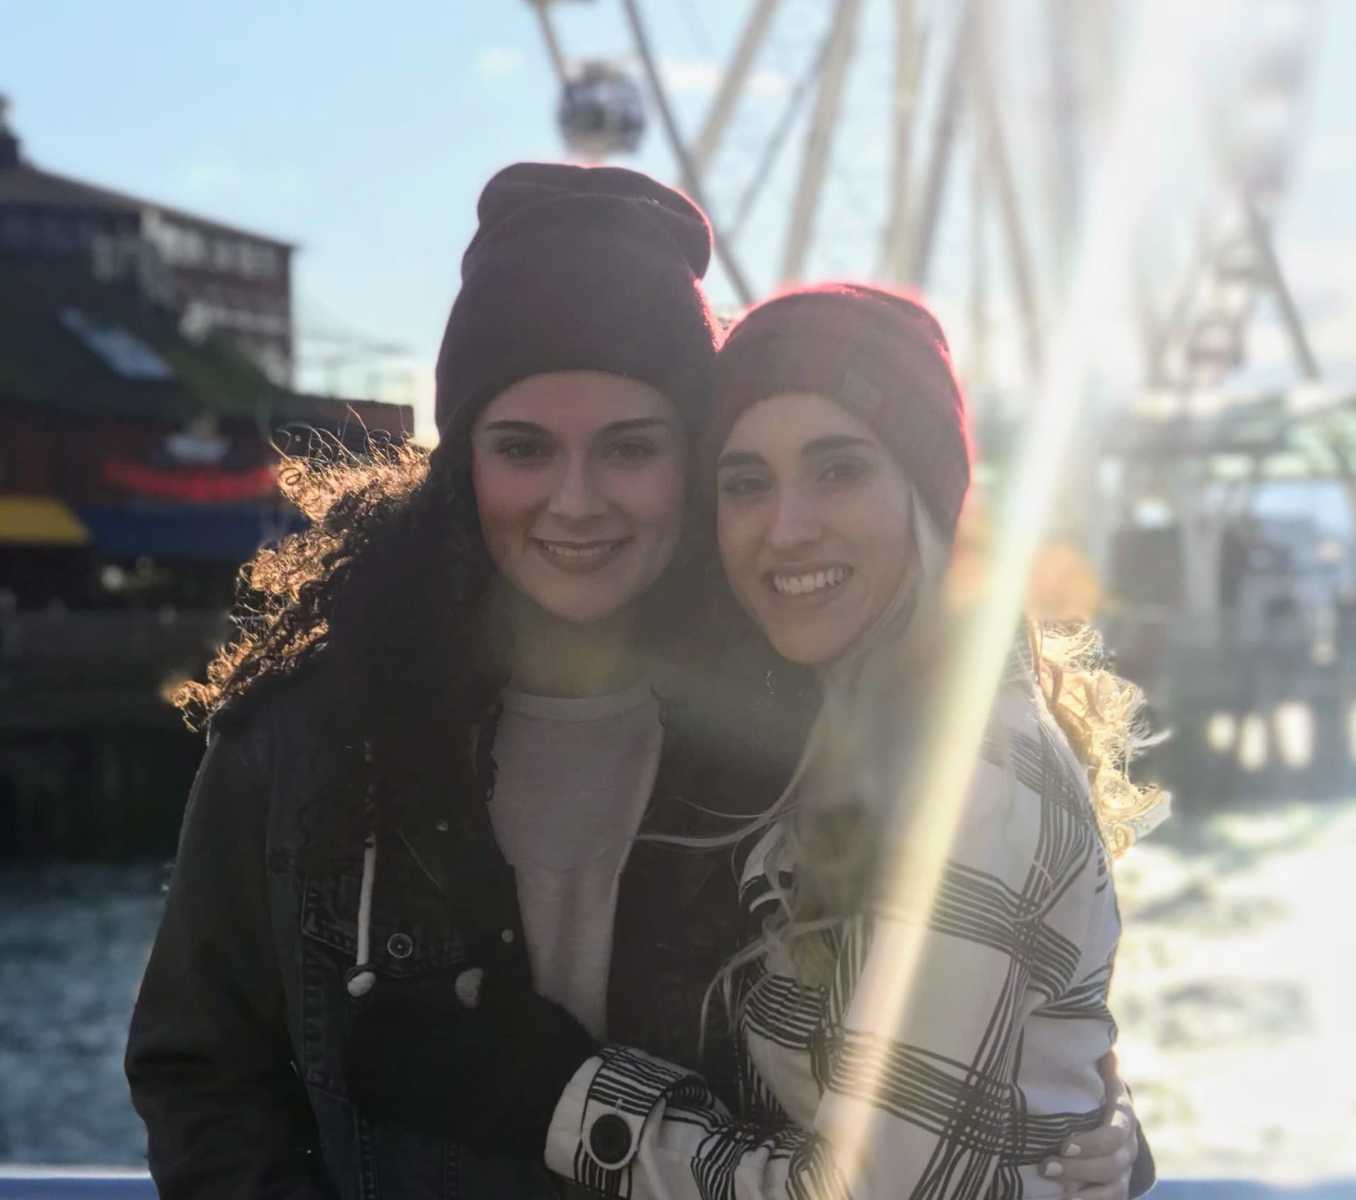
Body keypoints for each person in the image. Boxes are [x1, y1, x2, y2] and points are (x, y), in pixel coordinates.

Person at [125, 167, 1147, 1200]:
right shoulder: (300, 743)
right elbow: (206, 1079)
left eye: (631, 448)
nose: (576, 502)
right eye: (523, 448)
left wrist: (1082, 1127)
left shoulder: (794, 721)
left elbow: (948, 1054)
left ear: (692, 465)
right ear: (460, 463)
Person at [534, 283, 1160, 1198]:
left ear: (928, 495)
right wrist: (1079, 1111)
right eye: (746, 484)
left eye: (839, 470)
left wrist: (563, 1099)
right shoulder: (844, 726)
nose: (786, 529)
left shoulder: (968, 777)